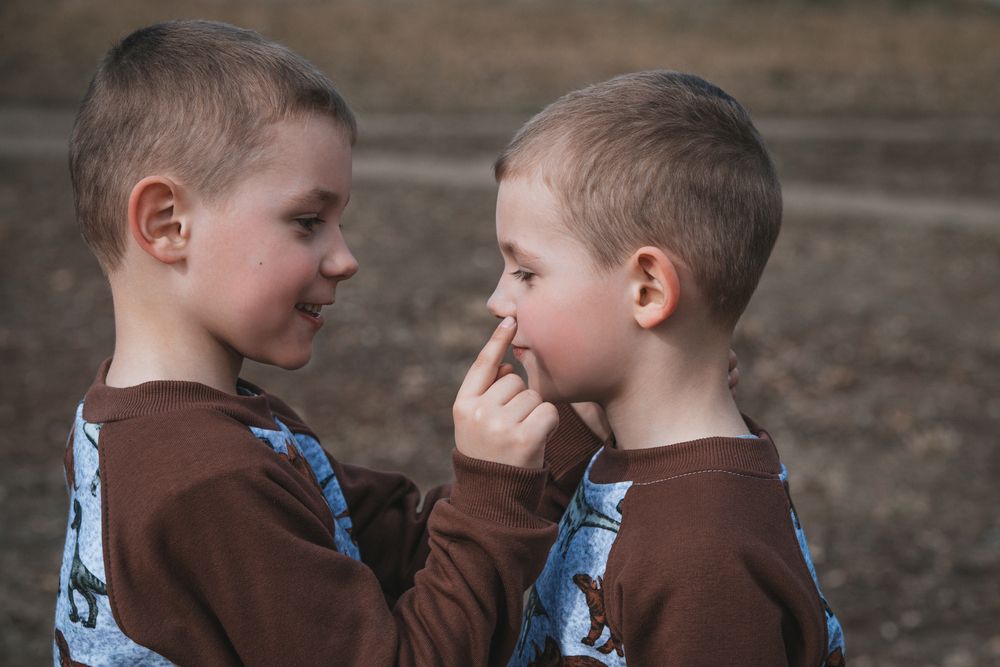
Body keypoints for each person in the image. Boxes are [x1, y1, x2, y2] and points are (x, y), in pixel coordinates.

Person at [53, 20, 606, 666]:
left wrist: (561, 423)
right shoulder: (201, 477)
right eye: (308, 221)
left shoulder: (176, 422)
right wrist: (490, 492)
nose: (344, 258)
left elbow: (405, 549)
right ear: (166, 223)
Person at [487, 71, 847, 666]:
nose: (497, 301)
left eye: (525, 272)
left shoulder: (704, 557)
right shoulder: (642, 466)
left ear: (649, 291)